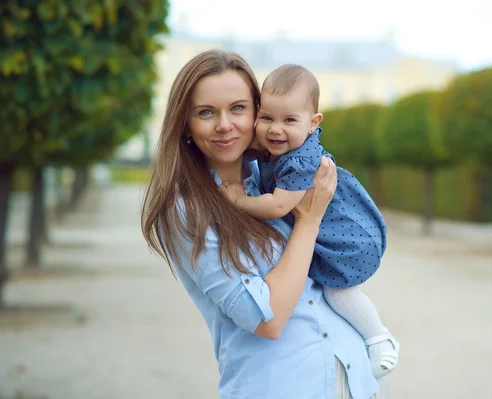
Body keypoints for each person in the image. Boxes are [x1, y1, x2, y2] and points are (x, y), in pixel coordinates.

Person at [141, 49, 387, 398]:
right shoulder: (187, 211)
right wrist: (309, 220)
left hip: (354, 381)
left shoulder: (274, 177)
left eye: (238, 108)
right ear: (186, 125)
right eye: (206, 112)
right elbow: (267, 320)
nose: (225, 124)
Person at [221, 64, 399, 378]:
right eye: (267, 118)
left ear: (312, 122)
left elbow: (278, 206)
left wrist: (237, 200)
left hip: (346, 241)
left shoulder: (302, 161)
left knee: (338, 292)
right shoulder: (283, 145)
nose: (276, 129)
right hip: (329, 234)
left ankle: (380, 339)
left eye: (289, 120)